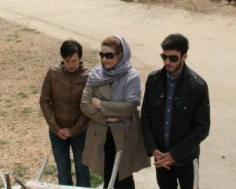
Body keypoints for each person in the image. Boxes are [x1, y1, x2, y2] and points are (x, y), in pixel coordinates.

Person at [141, 34, 210, 189]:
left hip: (186, 159)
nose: (167, 62)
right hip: (161, 160)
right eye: (163, 57)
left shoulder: (197, 86)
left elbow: (202, 128)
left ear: (184, 56)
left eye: (173, 58)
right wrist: (153, 148)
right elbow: (146, 117)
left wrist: (174, 155)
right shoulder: (154, 81)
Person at [81, 36, 150, 189]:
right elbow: (85, 104)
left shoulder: (131, 76)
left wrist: (101, 105)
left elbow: (129, 107)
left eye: (109, 55)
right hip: (102, 133)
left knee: (123, 177)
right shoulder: (96, 74)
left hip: (124, 135)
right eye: (102, 55)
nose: (105, 59)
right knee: (107, 177)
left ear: (120, 55)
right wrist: (106, 119)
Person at [40, 39, 91, 187]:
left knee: (83, 171)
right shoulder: (53, 73)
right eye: (67, 61)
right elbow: (44, 101)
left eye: (74, 61)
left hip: (80, 132)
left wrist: (74, 130)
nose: (71, 65)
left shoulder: (88, 76)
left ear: (80, 58)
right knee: (63, 172)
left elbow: (89, 106)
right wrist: (56, 128)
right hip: (57, 133)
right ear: (62, 59)